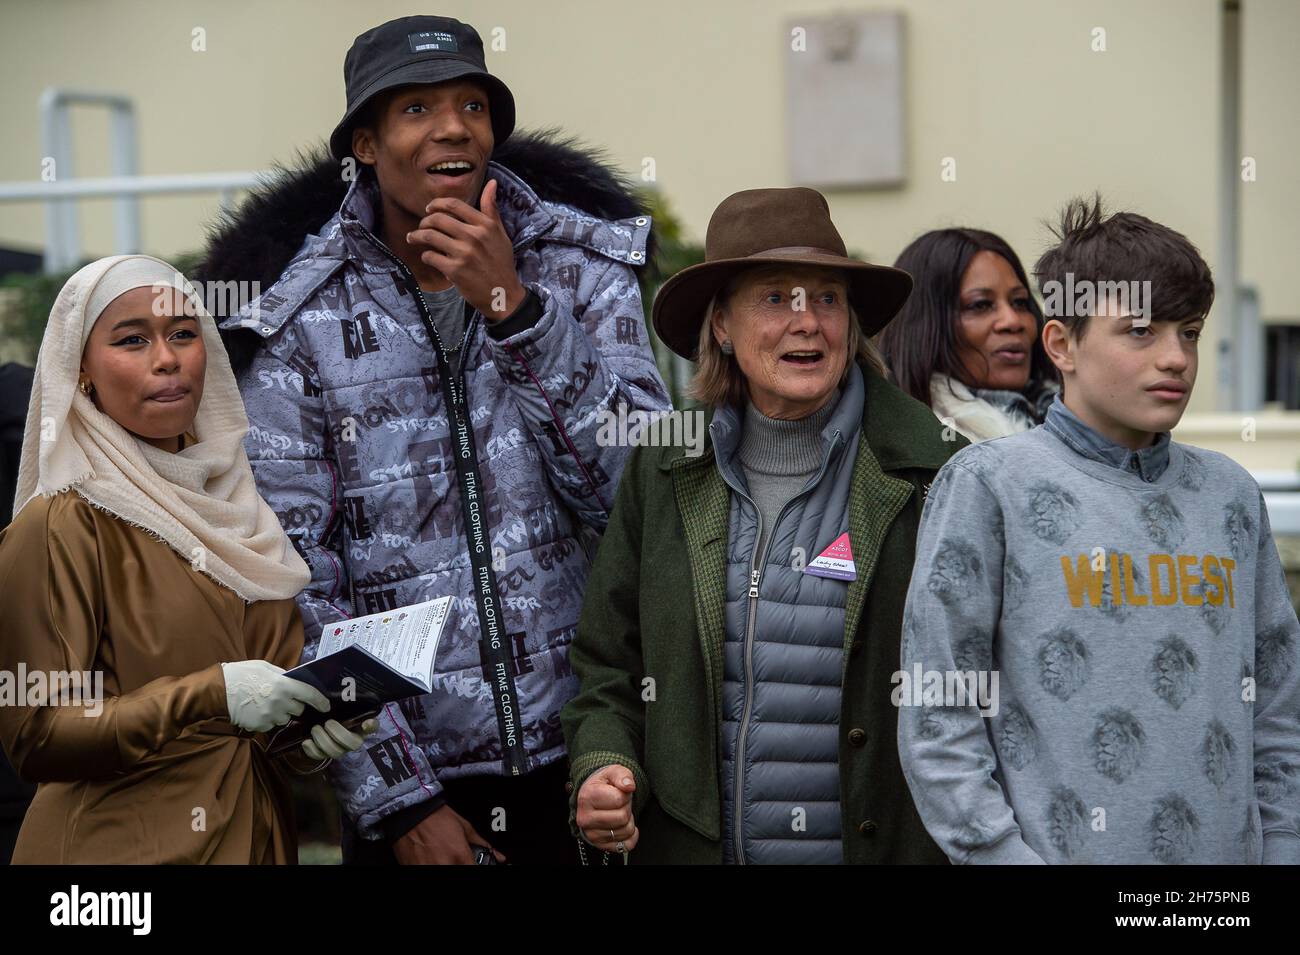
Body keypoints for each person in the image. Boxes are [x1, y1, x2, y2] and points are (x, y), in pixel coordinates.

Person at [204, 16, 670, 864]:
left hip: (598, 763)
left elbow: (637, 496)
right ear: (367, 146)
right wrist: (401, 799)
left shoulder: (583, 266)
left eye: (472, 105)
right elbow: (290, 573)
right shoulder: (296, 321)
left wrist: (518, 312)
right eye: (416, 107)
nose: (453, 126)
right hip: (417, 790)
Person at [560, 187, 962, 864]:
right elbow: (609, 664)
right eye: (776, 297)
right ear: (720, 325)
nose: (807, 322)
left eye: (827, 299)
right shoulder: (665, 464)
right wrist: (603, 763)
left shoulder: (933, 469)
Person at [897, 198, 1300, 864]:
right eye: (1141, 331)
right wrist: (1000, 855)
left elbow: (1279, 707)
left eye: (1191, 332)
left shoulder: (1229, 494)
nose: (1176, 357)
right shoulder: (990, 485)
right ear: (1061, 344)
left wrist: (1283, 846)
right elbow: (940, 709)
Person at [0, 255, 375, 864]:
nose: (166, 358)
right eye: (131, 340)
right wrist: (210, 693)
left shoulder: (240, 511)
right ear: (82, 371)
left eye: (182, 334)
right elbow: (36, 735)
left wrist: (307, 737)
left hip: (254, 843)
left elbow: (243, 729)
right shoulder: (62, 523)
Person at [876, 228, 1059, 442]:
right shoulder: (902, 446)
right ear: (925, 327)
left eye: (1019, 302)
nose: (1013, 321)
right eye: (980, 304)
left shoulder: (1087, 422)